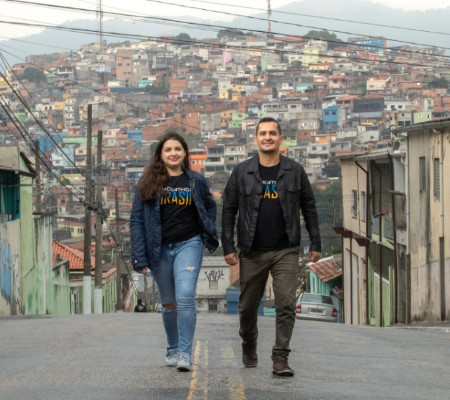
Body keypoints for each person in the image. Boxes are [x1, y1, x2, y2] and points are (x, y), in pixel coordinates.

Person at [221, 117, 321, 377]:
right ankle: (249, 341)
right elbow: (228, 210)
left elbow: (309, 208)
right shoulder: (241, 172)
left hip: (285, 249)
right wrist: (228, 246)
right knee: (247, 308)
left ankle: (280, 357)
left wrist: (316, 242)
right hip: (252, 250)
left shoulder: (295, 171)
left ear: (280, 139)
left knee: (286, 303)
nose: (268, 137)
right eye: (263, 133)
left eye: (272, 133)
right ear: (255, 139)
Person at [130, 132, 219, 372]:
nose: (173, 153)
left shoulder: (195, 181)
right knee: (169, 303)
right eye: (168, 149)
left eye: (178, 149)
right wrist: (139, 255)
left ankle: (185, 354)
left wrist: (207, 229)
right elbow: (137, 220)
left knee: (186, 296)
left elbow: (210, 205)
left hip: (189, 244)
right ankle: (172, 348)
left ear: (185, 153)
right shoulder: (147, 183)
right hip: (158, 249)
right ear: (160, 155)